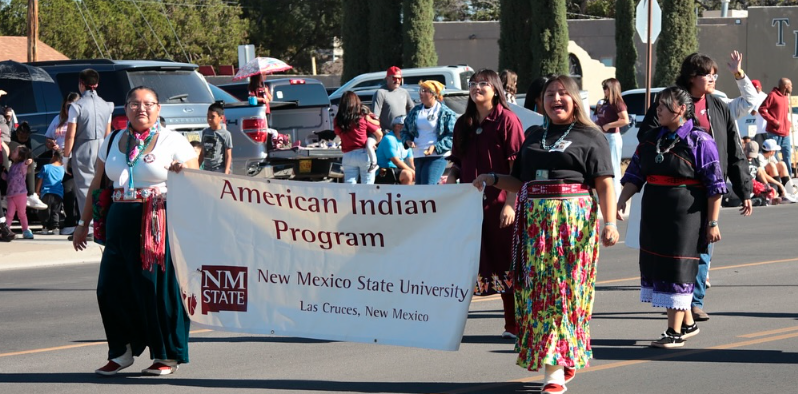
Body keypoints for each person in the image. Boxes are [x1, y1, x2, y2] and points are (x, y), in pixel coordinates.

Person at [471, 74, 618, 394]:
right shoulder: (535, 135)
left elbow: (605, 183)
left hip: (573, 225)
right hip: (535, 227)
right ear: (541, 102)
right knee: (541, 296)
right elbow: (520, 180)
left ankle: (565, 357)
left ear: (575, 99)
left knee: (569, 295)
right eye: (550, 94)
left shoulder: (591, 136)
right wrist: (492, 177)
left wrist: (610, 223)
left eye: (563, 94)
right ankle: (553, 370)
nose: (556, 99)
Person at [72, 86, 198, 376]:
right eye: (135, 103)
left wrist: (183, 172)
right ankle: (121, 351)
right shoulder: (113, 139)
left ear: (158, 108)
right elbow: (97, 184)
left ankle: (166, 355)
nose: (142, 109)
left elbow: (196, 179)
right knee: (109, 288)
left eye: (149, 104)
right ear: (125, 108)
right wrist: (83, 223)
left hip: (156, 219)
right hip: (119, 217)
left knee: (153, 288)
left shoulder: (173, 140)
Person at [636, 52, 753, 323]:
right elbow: (647, 139)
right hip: (677, 193)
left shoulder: (718, 105)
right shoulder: (668, 103)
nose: (713, 78)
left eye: (715, 74)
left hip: (709, 188)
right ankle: (683, 307)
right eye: (707, 74)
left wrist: (745, 188)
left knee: (703, 247)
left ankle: (693, 302)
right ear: (692, 77)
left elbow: (734, 148)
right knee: (678, 251)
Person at [618, 86, 726, 349]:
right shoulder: (651, 139)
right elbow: (635, 174)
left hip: (686, 216)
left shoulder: (700, 141)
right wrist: (621, 201)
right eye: (658, 105)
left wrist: (713, 223)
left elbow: (715, 187)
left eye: (664, 105)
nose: (659, 110)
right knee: (660, 266)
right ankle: (687, 323)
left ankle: (673, 332)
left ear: (680, 109)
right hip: (655, 214)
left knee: (678, 267)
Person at [447, 69, 525, 342]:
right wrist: (451, 179)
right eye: (473, 84)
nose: (477, 87)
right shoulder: (463, 123)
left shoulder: (508, 120)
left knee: (507, 262)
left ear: (495, 90)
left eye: (483, 83)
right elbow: (457, 161)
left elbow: (518, 168)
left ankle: (514, 324)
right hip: (471, 206)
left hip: (500, 203)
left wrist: (511, 204)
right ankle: (448, 324)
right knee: (467, 263)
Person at [63, 68, 114, 240]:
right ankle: (100, 223)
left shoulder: (76, 107)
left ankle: (89, 226)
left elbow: (70, 134)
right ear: (97, 84)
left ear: (81, 84)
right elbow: (108, 133)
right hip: (102, 145)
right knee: (100, 185)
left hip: (83, 147)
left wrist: (65, 157)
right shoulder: (107, 105)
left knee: (84, 186)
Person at [401, 80, 457, 185]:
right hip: (418, 155)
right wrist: (408, 140)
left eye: (424, 90)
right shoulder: (415, 111)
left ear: (434, 94)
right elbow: (404, 131)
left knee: (428, 186)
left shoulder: (446, 113)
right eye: (420, 90)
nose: (420, 93)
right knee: (420, 189)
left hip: (437, 156)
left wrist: (435, 147)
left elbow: (452, 136)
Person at [45, 92, 82, 233]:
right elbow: (48, 138)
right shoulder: (58, 119)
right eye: (68, 107)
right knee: (66, 191)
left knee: (75, 190)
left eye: (73, 107)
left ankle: (79, 221)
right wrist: (51, 143)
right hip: (59, 159)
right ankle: (70, 221)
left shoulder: (81, 120)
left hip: (75, 159)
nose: (70, 110)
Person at [334, 91, 383, 184]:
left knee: (349, 186)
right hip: (363, 153)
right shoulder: (362, 117)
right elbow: (379, 134)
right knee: (367, 186)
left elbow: (338, 133)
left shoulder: (338, 120)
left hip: (348, 154)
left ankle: (351, 199)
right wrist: (374, 143)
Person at [595, 78, 629, 199]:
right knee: (604, 167)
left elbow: (625, 120)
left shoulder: (618, 103)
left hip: (612, 137)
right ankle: (605, 196)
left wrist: (608, 125)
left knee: (613, 167)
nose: (604, 90)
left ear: (612, 88)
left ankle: (615, 197)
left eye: (606, 88)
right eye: (603, 87)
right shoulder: (605, 103)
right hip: (603, 137)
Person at [758, 78, 793, 176]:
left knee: (787, 156)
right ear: (785, 86)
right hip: (774, 133)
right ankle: (776, 176)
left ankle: (788, 179)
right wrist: (774, 121)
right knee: (774, 156)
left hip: (785, 133)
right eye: (790, 85)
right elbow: (762, 109)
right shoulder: (772, 95)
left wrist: (787, 123)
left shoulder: (786, 97)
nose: (792, 87)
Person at [9, 122, 47, 210]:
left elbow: (29, 152)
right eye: (22, 137)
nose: (23, 139)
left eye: (26, 137)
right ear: (17, 134)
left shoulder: (28, 141)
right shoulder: (13, 140)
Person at [2, 145, 35, 239]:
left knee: (21, 213)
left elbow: (26, 164)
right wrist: (3, 174)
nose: (12, 151)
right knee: (9, 214)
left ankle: (26, 230)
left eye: (15, 151)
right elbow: (9, 178)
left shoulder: (21, 165)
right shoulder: (12, 166)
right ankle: (6, 230)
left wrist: (28, 162)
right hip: (11, 194)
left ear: (20, 156)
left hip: (20, 194)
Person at [372, 66, 414, 132]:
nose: (397, 80)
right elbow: (375, 117)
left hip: (403, 133)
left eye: (399, 78)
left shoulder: (404, 92)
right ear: (387, 78)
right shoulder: (380, 93)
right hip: (388, 133)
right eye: (394, 78)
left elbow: (412, 110)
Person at [376, 115, 415, 185]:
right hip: (384, 171)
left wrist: (416, 171)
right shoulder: (389, 139)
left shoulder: (406, 140)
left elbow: (410, 160)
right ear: (398, 126)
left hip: (397, 169)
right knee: (408, 174)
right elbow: (395, 161)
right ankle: (403, 195)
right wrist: (412, 172)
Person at [35, 149, 66, 235]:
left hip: (46, 192)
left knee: (45, 210)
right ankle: (56, 227)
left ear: (54, 156)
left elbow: (40, 180)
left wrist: (37, 191)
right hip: (58, 193)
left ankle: (45, 227)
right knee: (56, 210)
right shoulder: (63, 169)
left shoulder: (46, 167)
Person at [201, 103, 233, 174]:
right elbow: (202, 152)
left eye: (212, 117)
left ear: (221, 118)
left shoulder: (226, 134)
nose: (209, 119)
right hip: (206, 169)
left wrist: (226, 171)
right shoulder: (205, 132)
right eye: (208, 116)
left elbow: (228, 155)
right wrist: (197, 167)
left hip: (219, 169)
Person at [749, 80, 769, 145]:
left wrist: (748, 108)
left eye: (758, 88)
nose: (757, 89)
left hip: (762, 129)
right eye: (756, 88)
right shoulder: (765, 95)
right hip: (765, 129)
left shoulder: (759, 97)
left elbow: (753, 112)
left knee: (762, 151)